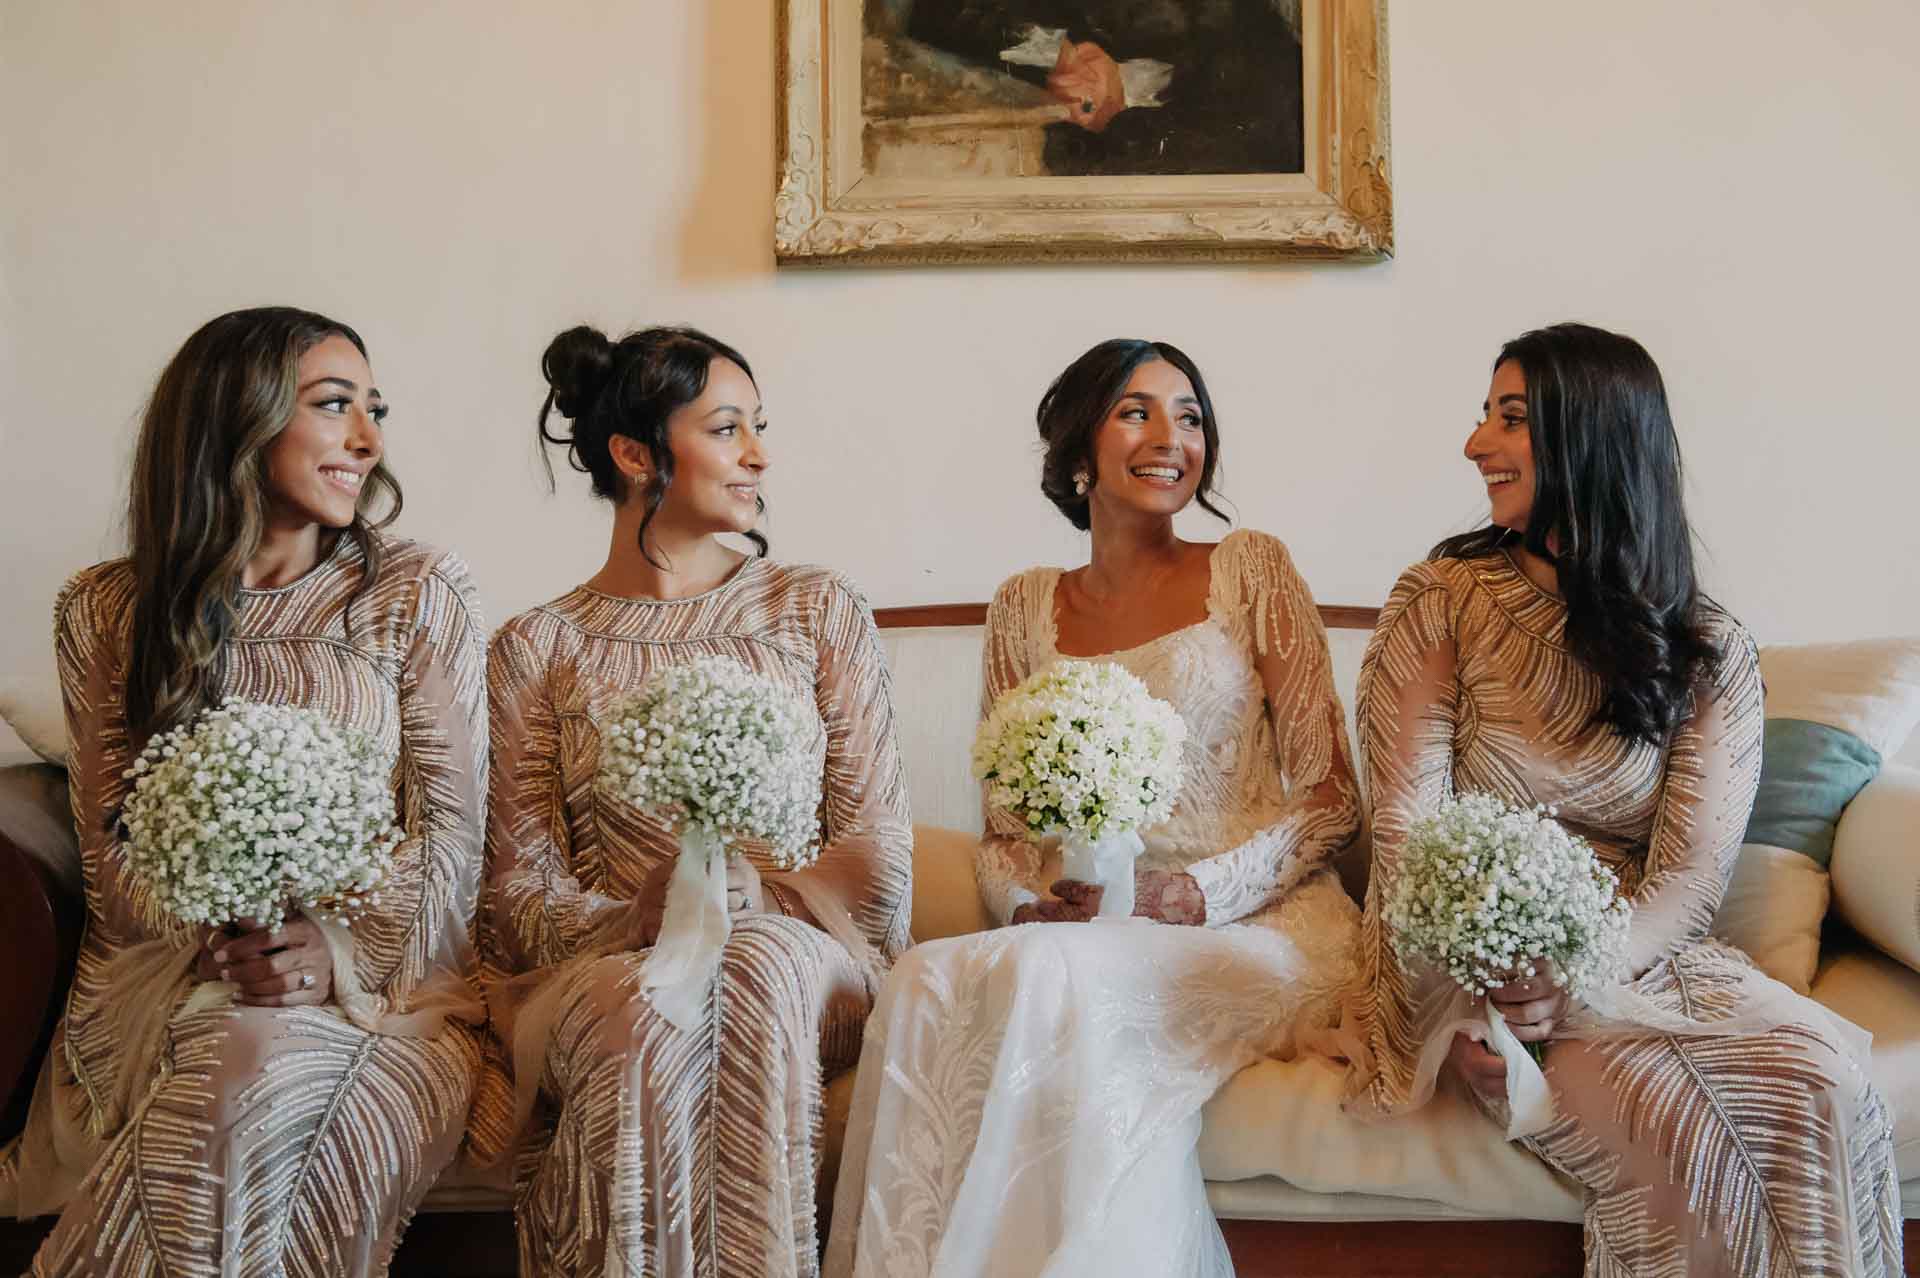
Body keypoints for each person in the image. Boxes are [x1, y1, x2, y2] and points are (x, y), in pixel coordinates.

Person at [1349, 322, 1904, 1274]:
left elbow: (1687, 882)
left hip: (1645, 958)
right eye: (1486, 416)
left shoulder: (1708, 646)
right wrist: (1493, 992)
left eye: (1511, 419)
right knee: (1690, 1126)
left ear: (1593, 438)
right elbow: (1407, 837)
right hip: (1469, 968)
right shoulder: (1442, 603)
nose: (1476, 444)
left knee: (1822, 1081)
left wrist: (1579, 976)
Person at [826, 338, 1360, 1278]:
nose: (1171, 437)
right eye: (1135, 412)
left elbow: (1331, 800)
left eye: (1189, 416)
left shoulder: (1252, 569)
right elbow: (1004, 834)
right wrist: (1026, 906)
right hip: (1086, 926)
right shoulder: (1023, 607)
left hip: (1256, 924)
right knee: (925, 979)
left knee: (1055, 982)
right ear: (1080, 448)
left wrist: (1194, 893)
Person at [1, 306, 490, 1276]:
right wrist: (235, 943)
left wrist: (329, 951)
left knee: (266, 1071)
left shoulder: (413, 591)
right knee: (236, 1052)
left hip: (379, 993)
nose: (368, 440)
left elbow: (450, 839)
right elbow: (111, 856)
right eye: (335, 405)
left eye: (375, 409)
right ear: (239, 416)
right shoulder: (108, 610)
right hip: (178, 980)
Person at [485, 324, 913, 1276]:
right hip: (610, 958)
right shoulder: (537, 647)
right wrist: (634, 917)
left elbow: (879, 850)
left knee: (749, 965)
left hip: (809, 956)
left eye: (758, 426)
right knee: (651, 996)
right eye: (727, 429)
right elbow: (514, 895)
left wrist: (763, 899)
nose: (760, 455)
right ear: (636, 454)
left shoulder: (813, 609)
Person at [904, 1, 1304, 175]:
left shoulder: (1255, 45)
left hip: (1174, 140)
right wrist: (1057, 52)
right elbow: (937, 11)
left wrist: (1118, 106)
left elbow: (1272, 112)